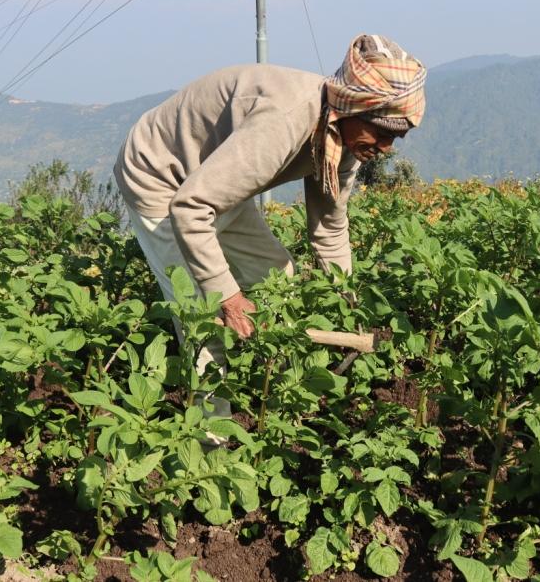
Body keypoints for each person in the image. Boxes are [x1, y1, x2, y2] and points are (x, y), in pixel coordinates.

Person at [113, 33, 427, 387]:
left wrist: (346, 303)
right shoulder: (286, 120)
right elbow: (190, 207)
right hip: (160, 176)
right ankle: (209, 432)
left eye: (394, 138)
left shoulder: (345, 143)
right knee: (203, 318)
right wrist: (229, 299)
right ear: (352, 108)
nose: (385, 148)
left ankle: (272, 388)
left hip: (209, 184)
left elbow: (329, 227)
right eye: (380, 132)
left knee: (278, 277)